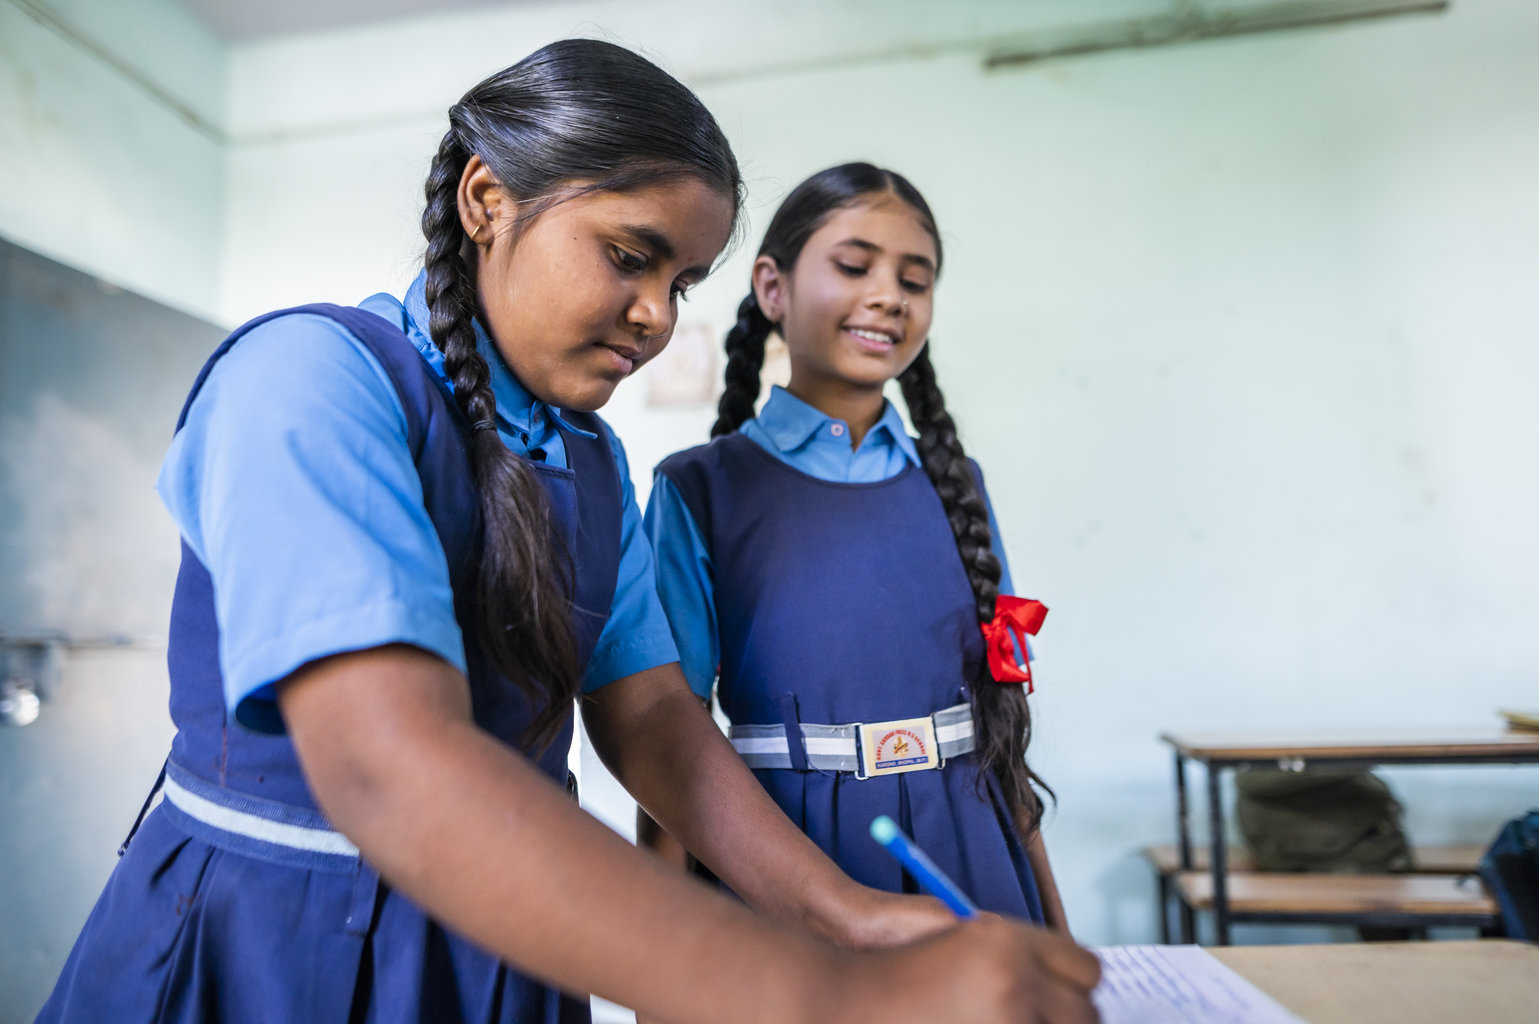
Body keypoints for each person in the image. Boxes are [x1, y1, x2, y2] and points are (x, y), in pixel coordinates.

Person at [35, 43, 1098, 1024]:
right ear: (487, 199)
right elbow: (385, 763)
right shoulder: (311, 381)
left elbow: (655, 723)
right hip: (275, 946)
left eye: (680, 282)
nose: (655, 315)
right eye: (629, 255)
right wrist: (828, 991)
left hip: (513, 942)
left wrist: (843, 913)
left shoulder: (590, 463)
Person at [645, 162, 1071, 931]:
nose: (887, 296)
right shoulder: (697, 490)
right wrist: (660, 976)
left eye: (916, 280)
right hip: (782, 867)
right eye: (853, 265)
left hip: (971, 856)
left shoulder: (958, 485)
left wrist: (1056, 926)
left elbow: (1004, 734)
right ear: (771, 287)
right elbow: (667, 746)